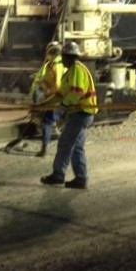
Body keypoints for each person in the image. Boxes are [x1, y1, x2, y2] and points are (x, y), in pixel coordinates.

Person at [40, 41, 98, 189]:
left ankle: (58, 175)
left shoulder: (77, 69)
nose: (62, 60)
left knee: (65, 143)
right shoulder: (70, 72)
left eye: (63, 57)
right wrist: (43, 105)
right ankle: (81, 178)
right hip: (79, 113)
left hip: (81, 113)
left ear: (69, 57)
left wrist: (62, 107)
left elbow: (77, 92)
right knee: (77, 147)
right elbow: (59, 95)